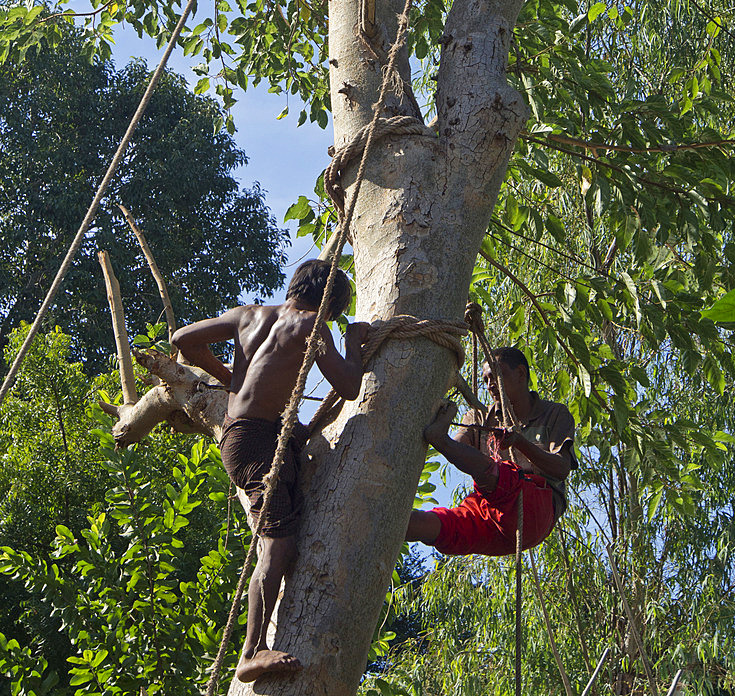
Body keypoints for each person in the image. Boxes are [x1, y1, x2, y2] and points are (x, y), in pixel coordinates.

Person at [171, 259, 370, 684]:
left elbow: (183, 339)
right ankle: (251, 651)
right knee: (277, 544)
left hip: (240, 435)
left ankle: (256, 643)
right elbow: (350, 386)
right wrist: (354, 342)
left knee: (284, 533)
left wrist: (231, 379)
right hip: (259, 441)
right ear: (330, 302)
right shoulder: (312, 324)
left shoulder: (249, 314)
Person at [406, 346, 576, 556]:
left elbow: (561, 468)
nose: (489, 385)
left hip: (534, 511)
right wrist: (448, 434)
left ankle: (442, 442)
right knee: (436, 526)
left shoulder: (554, 413)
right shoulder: (478, 417)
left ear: (521, 374)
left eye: (496, 375)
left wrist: (520, 442)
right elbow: (460, 446)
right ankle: (385, 524)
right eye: (485, 380)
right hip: (491, 512)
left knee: (499, 475)